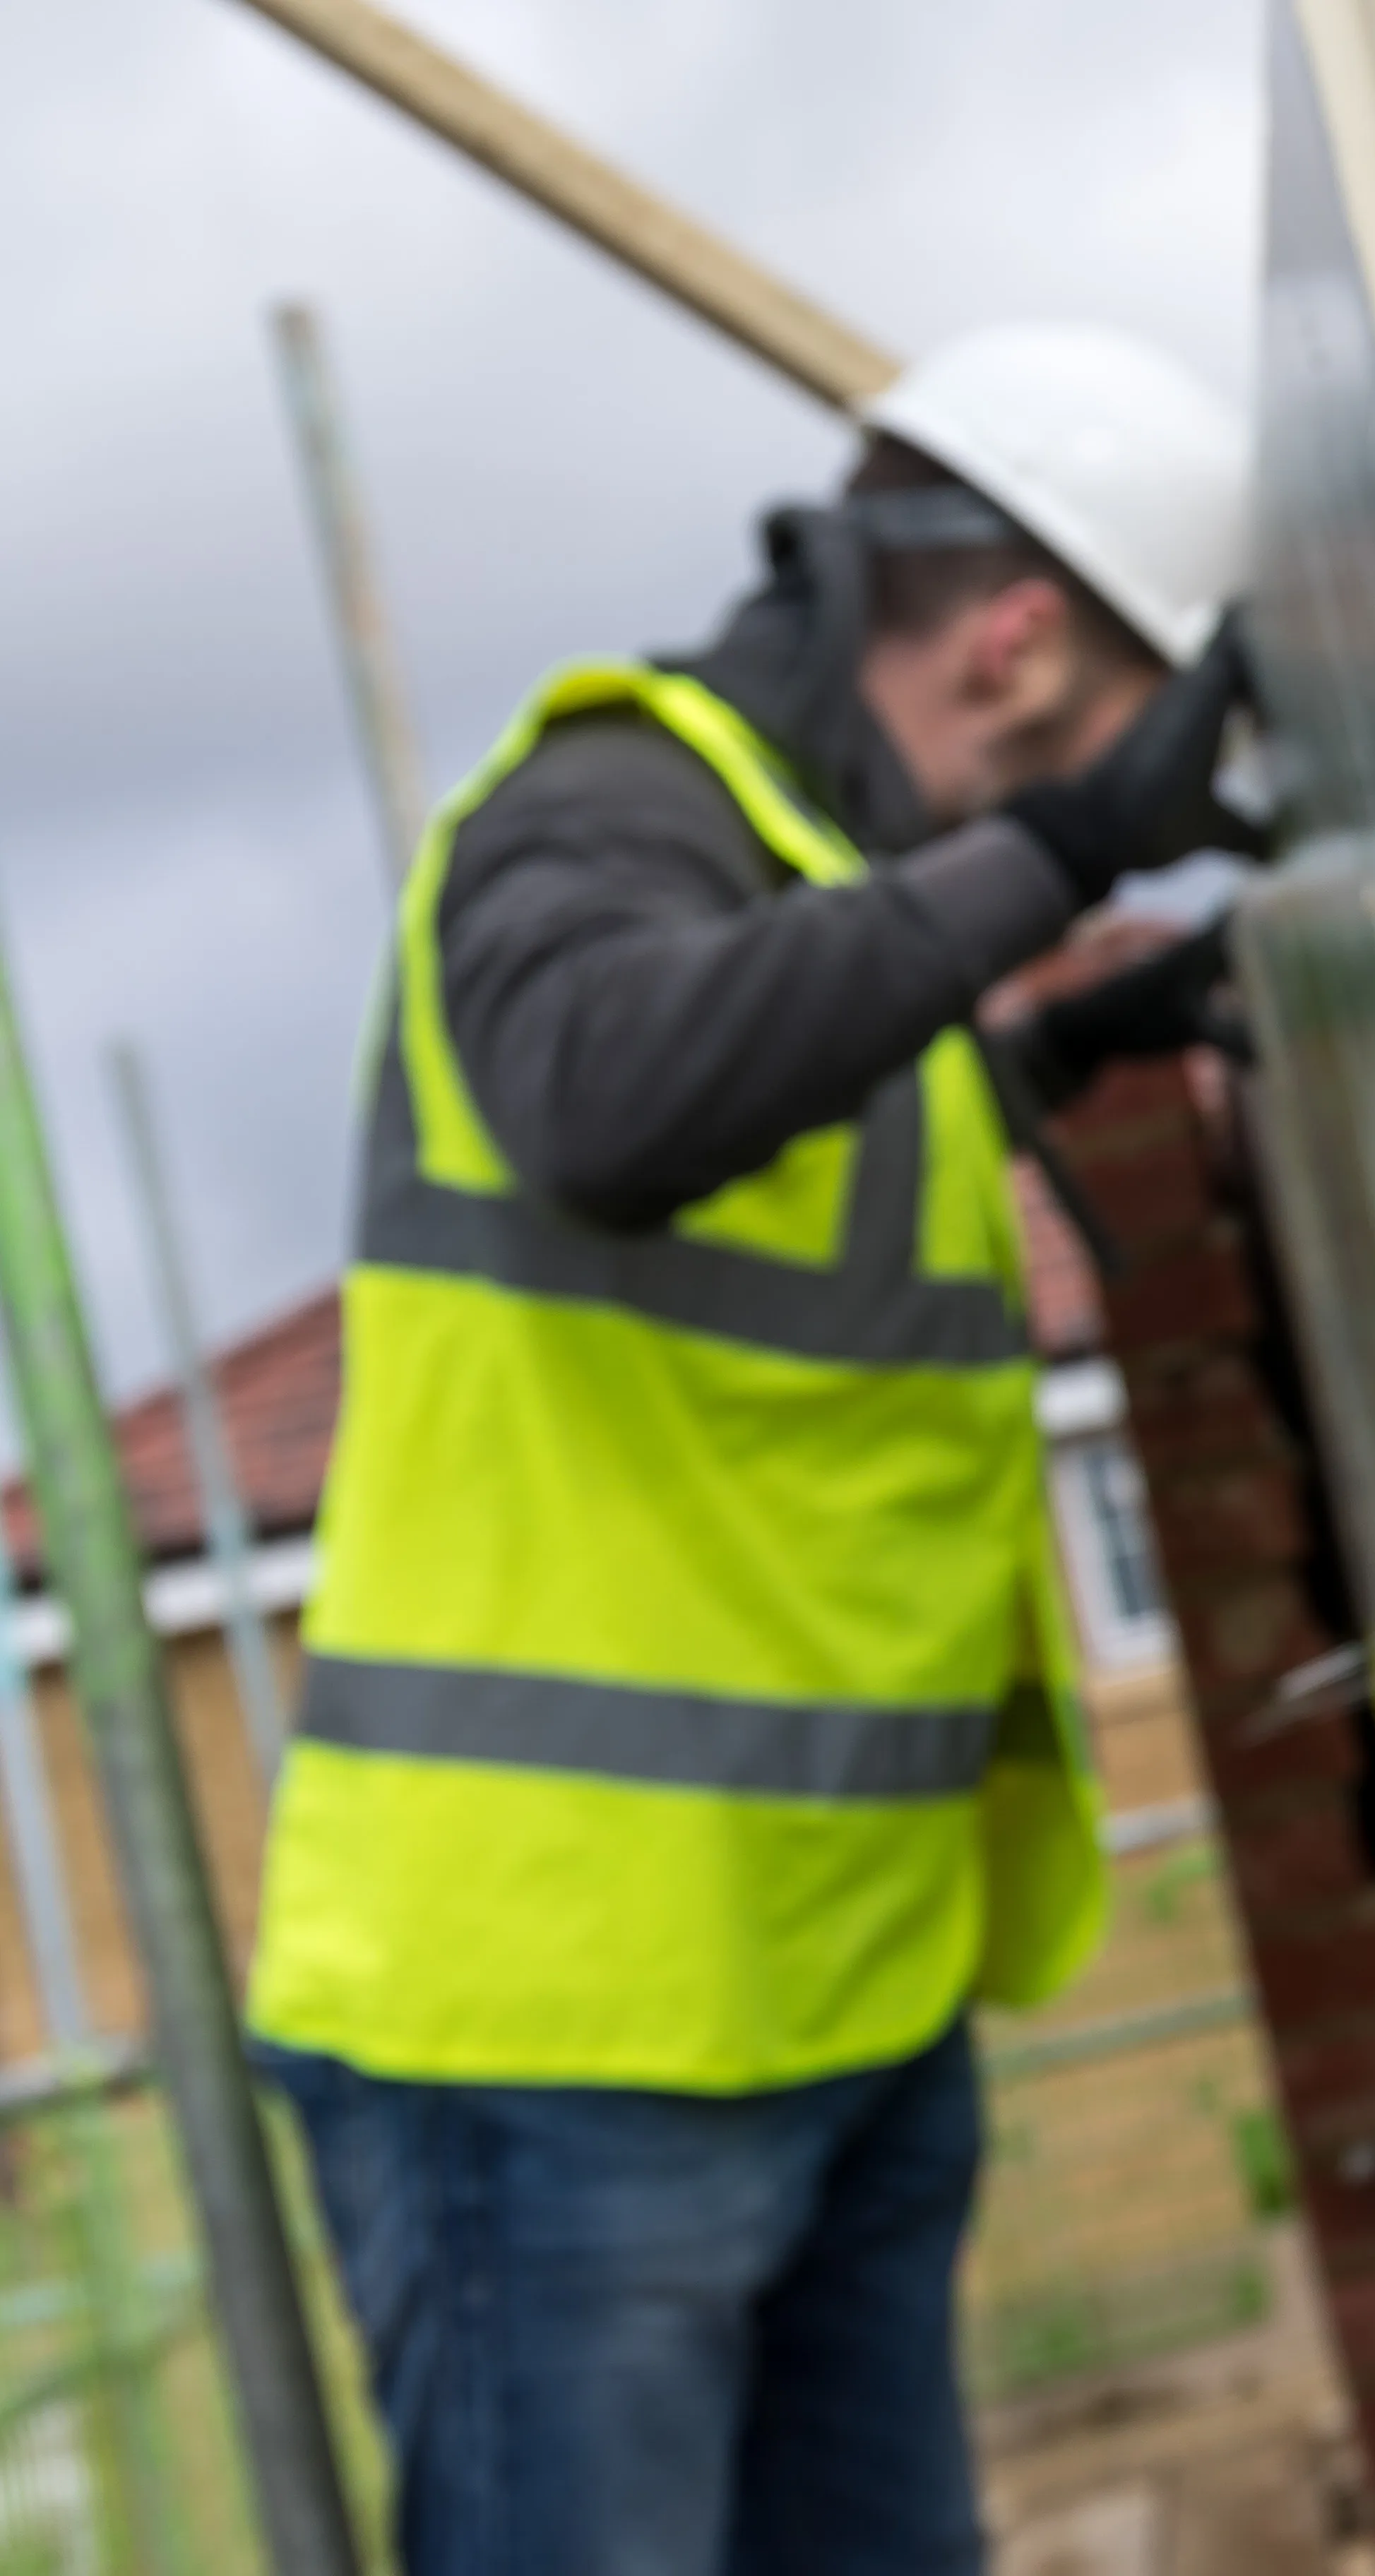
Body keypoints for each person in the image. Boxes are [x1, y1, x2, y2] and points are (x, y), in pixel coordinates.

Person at [244, 321, 1266, 2576]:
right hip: (563, 2042)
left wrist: (1070, 1036)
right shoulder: (615, 798)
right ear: (1014, 650)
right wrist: (1071, 854)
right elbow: (615, 1101)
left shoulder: (811, 887)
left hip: (836, 1992)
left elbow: (804, 1166)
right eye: (1118, 758)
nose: (1093, 846)